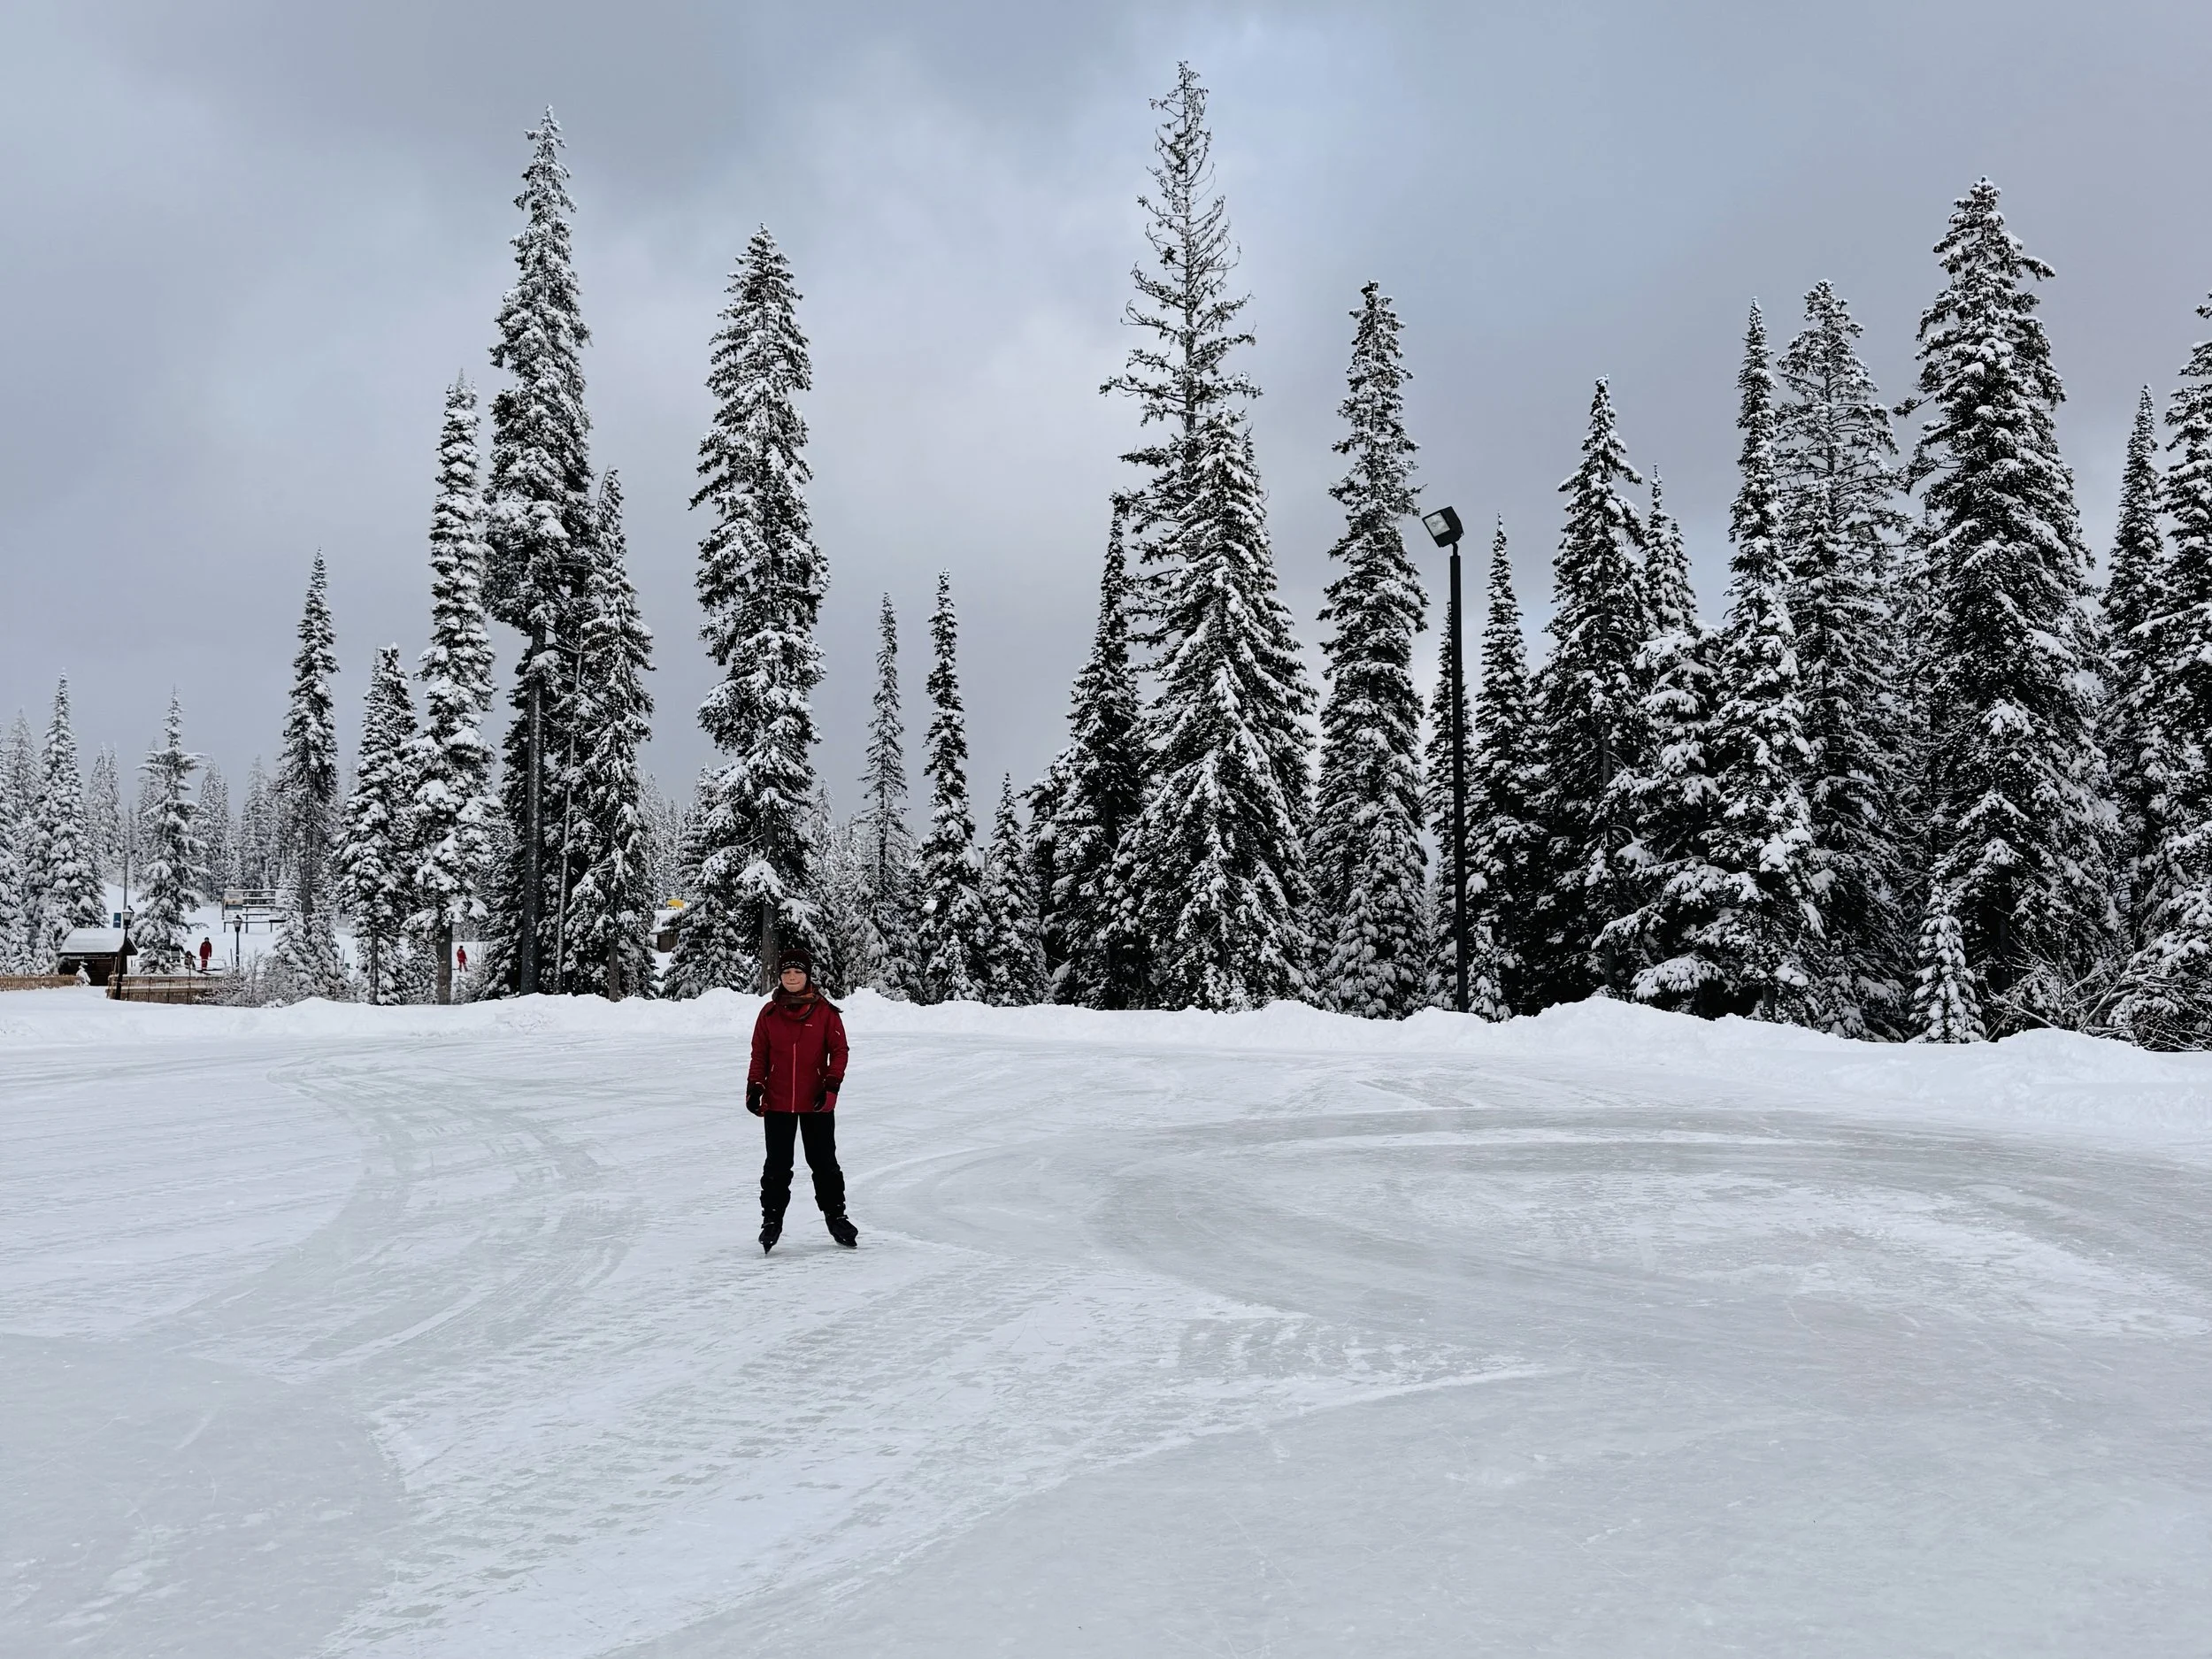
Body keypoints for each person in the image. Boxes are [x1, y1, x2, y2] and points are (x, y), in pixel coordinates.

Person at [749, 947, 856, 1252]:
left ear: (807, 976)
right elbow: (759, 1054)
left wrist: (832, 1085)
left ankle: (837, 1217)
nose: (792, 977)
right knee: (777, 1166)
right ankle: (771, 1220)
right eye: (786, 973)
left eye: (797, 972)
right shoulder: (768, 1014)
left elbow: (839, 1051)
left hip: (817, 1101)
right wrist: (755, 1087)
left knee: (824, 1163)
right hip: (778, 1101)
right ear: (779, 977)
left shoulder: (825, 1012)